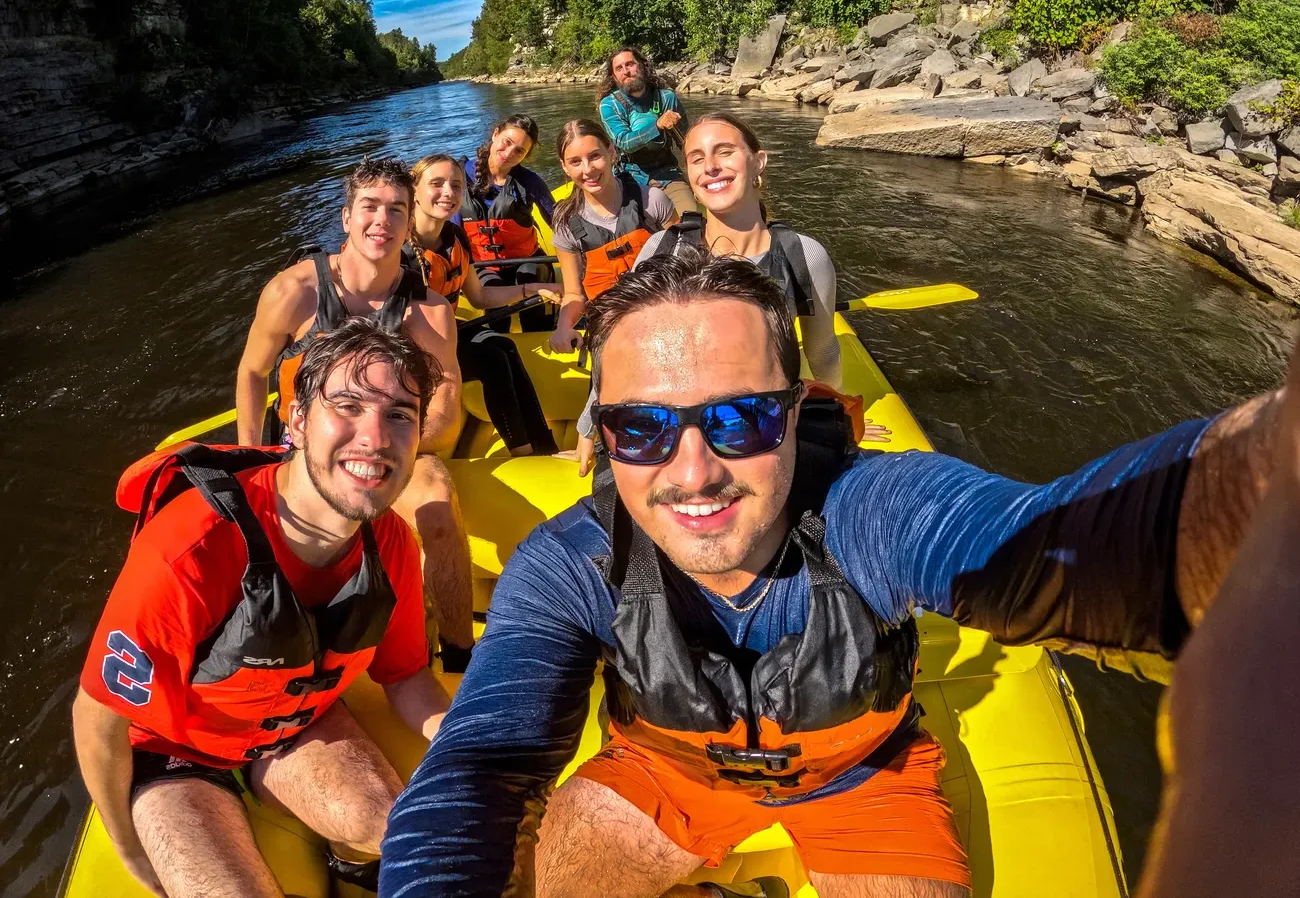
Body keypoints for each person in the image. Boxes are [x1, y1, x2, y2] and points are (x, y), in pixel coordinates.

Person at [380, 246, 1294, 898]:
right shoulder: (572, 561)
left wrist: (1269, 469)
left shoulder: (869, 505)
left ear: (798, 406)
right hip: (662, 771)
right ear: (604, 434)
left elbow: (1051, 546)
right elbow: (480, 766)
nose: (693, 472)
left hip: (864, 774)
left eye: (739, 420)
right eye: (643, 429)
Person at [74, 321, 450, 898]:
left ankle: (342, 856)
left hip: (301, 722)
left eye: (400, 414)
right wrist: (131, 848)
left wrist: (477, 750)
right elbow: (99, 719)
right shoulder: (191, 549)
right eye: (347, 405)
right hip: (177, 752)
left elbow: (404, 677)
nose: (375, 438)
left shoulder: (391, 541)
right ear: (297, 420)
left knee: (396, 827)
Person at [234, 157, 474, 662]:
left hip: (391, 448)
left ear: (411, 222)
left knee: (435, 498)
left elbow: (448, 399)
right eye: (369, 207)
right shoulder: (293, 293)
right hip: (302, 448)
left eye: (396, 210)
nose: (381, 221)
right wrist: (250, 453)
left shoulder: (428, 311)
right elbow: (254, 373)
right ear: (346, 217)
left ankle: (459, 653)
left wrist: (387, 451)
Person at [569, 112, 846, 474]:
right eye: (697, 158)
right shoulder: (662, 249)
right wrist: (589, 427)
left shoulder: (803, 255)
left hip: (756, 428)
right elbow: (620, 346)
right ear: (690, 176)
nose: (711, 167)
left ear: (757, 161)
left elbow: (822, 351)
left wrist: (836, 415)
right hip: (672, 424)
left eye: (724, 152)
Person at [408, 152, 560, 456]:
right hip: (410, 348)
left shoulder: (455, 238)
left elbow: (479, 298)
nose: (448, 193)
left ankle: (544, 446)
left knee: (504, 346)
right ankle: (523, 452)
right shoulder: (401, 251)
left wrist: (534, 288)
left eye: (456, 185)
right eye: (436, 184)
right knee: (492, 359)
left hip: (445, 333)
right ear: (414, 190)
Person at [548, 119, 678, 354]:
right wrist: (563, 326)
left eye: (595, 156)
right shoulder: (566, 224)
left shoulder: (653, 201)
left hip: (664, 318)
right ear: (565, 167)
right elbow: (574, 294)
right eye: (575, 162)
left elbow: (685, 264)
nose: (587, 169)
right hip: (609, 328)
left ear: (611, 152)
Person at [459, 114, 556, 333]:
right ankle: (499, 338)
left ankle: (541, 333)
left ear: (525, 156)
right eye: (507, 142)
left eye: (519, 151)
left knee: (528, 276)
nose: (509, 153)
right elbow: (449, 231)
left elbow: (560, 225)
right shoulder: (458, 177)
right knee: (493, 290)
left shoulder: (529, 182)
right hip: (484, 266)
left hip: (528, 260)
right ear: (495, 134)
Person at [597, 46, 695, 217]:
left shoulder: (666, 98)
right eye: (619, 68)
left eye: (630, 64)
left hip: (667, 173)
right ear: (614, 77)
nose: (626, 71)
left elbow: (686, 143)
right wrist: (657, 125)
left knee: (692, 218)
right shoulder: (609, 105)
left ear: (642, 66)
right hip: (630, 177)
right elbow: (624, 142)